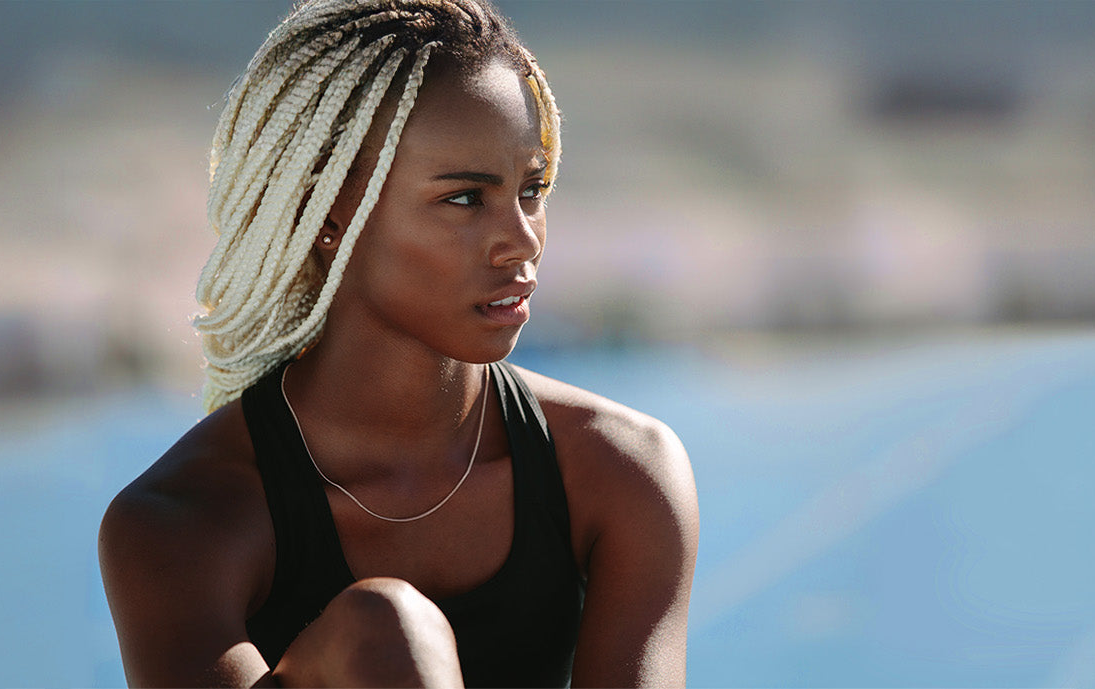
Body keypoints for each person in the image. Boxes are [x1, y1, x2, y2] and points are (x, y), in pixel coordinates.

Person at [98, 1, 698, 686]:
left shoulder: (621, 471)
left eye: (531, 190)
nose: (524, 239)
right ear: (328, 214)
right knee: (384, 636)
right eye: (467, 198)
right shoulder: (184, 522)